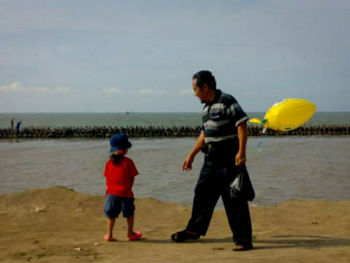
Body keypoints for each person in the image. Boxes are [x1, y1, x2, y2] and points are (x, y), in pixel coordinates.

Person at [171, 70, 253, 251]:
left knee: (234, 198)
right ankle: (194, 230)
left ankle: (243, 239)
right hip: (211, 159)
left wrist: (241, 151)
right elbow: (204, 134)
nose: (194, 94)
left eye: (195, 89)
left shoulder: (227, 100)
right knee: (202, 193)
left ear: (205, 87)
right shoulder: (206, 108)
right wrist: (191, 155)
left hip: (229, 158)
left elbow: (242, 124)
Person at [103, 133, 142, 242]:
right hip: (126, 193)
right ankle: (130, 233)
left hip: (111, 194)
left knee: (111, 216)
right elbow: (132, 178)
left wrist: (109, 191)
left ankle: (109, 235)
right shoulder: (128, 162)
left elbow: (107, 178)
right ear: (125, 149)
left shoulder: (109, 163)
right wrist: (128, 188)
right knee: (129, 214)